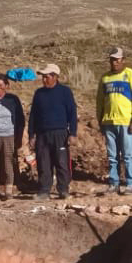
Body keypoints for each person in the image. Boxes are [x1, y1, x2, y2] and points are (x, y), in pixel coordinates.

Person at [96, 47, 132, 195]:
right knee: (112, 156)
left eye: (117, 59)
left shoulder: (131, 76)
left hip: (126, 122)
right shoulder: (105, 78)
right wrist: (100, 120)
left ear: (123, 60)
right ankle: (114, 183)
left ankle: (131, 183)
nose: (114, 62)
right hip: (109, 122)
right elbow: (100, 101)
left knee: (128, 155)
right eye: (112, 59)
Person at [28, 63, 77, 200]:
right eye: (43, 77)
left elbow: (72, 113)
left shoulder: (65, 92)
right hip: (42, 134)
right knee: (43, 163)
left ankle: (63, 190)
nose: (44, 79)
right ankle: (44, 191)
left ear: (55, 76)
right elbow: (33, 115)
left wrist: (72, 133)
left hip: (60, 133)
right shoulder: (39, 94)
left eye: (46, 76)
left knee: (61, 162)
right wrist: (31, 135)